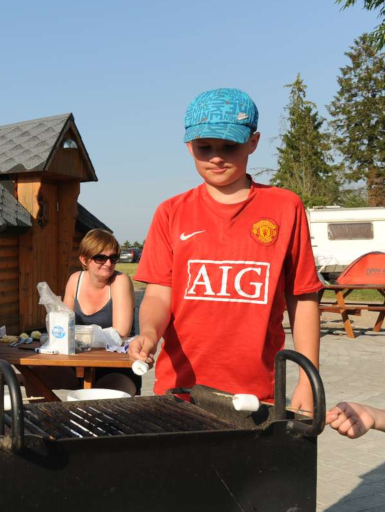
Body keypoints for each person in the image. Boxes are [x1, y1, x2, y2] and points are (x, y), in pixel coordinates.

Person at [128, 88, 323, 412]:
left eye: (229, 146)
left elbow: (302, 297)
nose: (217, 157)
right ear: (189, 146)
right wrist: (149, 333)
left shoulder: (285, 207)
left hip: (257, 393)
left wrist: (308, 375)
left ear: (253, 142)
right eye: (205, 147)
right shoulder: (171, 212)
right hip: (181, 389)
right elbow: (159, 295)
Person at [59, 228, 139, 395]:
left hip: (115, 367)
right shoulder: (75, 280)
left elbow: (120, 334)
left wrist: (79, 335)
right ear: (84, 259)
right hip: (78, 365)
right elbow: (64, 326)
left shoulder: (120, 281)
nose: (108, 263)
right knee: (35, 375)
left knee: (99, 402)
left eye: (113, 258)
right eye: (100, 258)